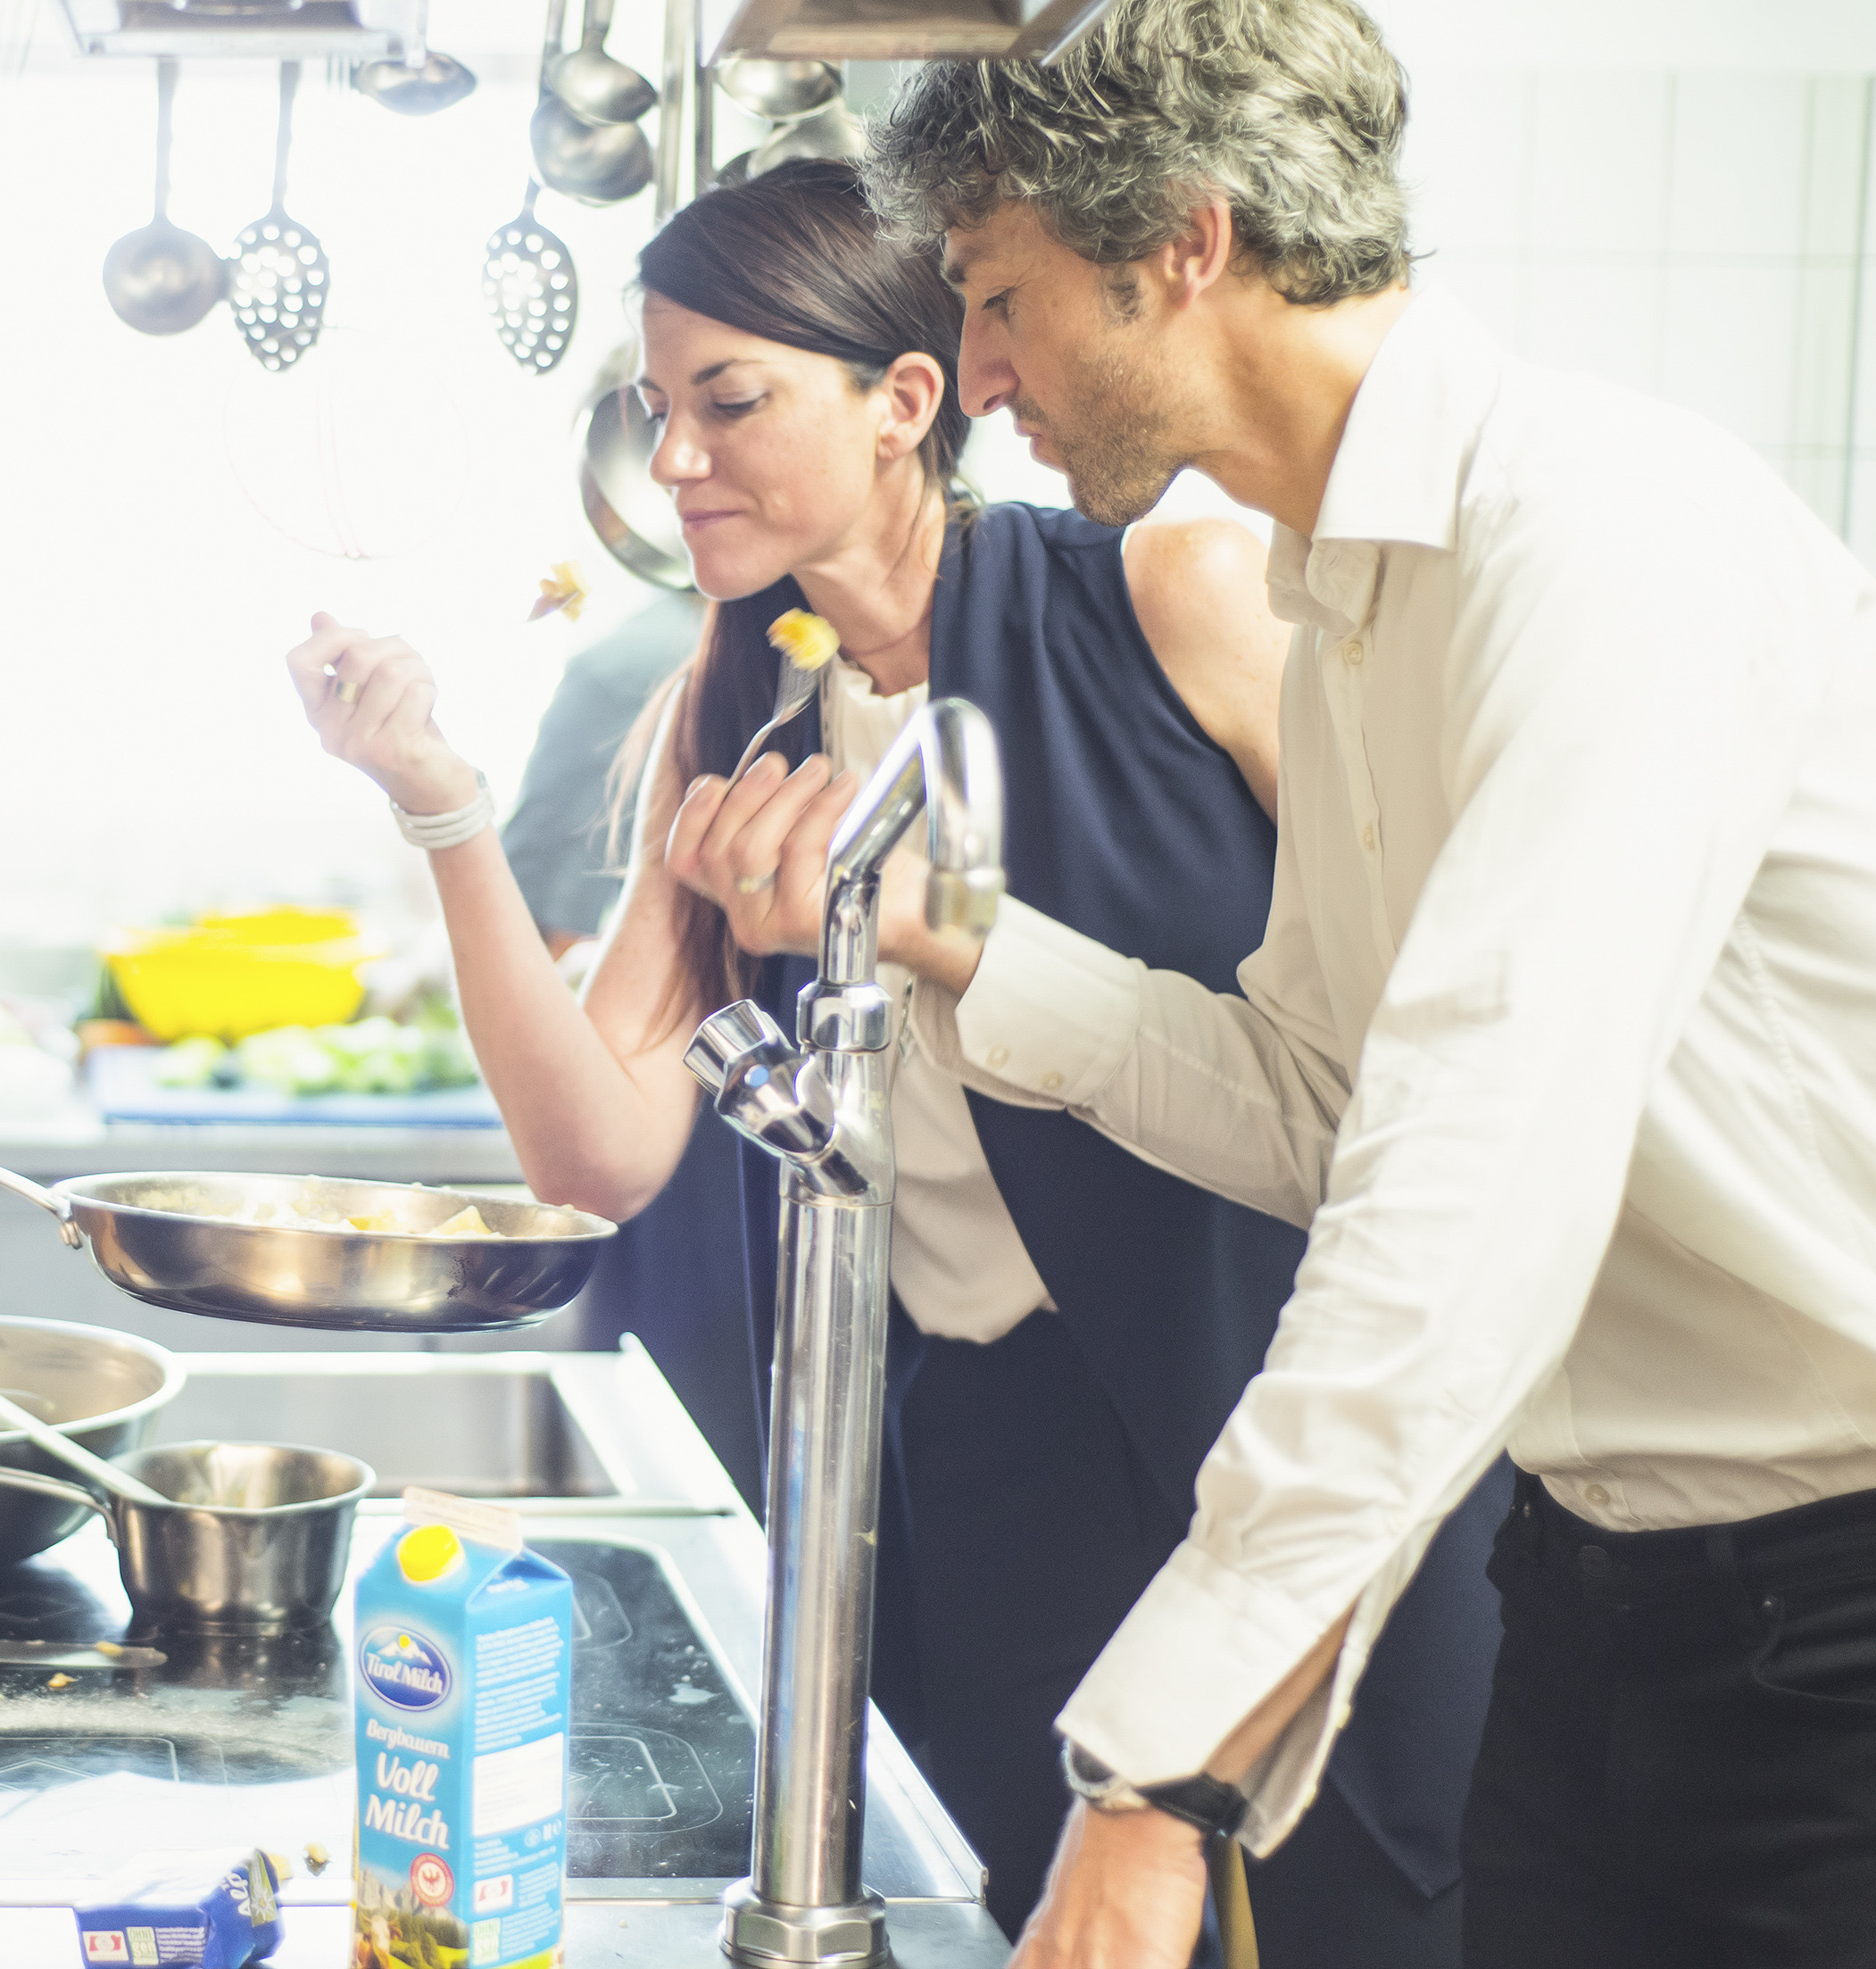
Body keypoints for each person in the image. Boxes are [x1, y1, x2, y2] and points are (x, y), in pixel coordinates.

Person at [286, 159, 1503, 1961]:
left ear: (907, 402)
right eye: (658, 408)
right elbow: (598, 1147)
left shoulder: (1171, 592)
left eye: (730, 401)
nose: (676, 457)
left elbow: (1440, 1026)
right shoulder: (740, 706)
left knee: (1381, 1920)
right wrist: (442, 804)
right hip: (996, 1449)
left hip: (1288, 1411)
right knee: (1022, 1918)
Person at [859, 0, 1876, 1969]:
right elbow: (1322, 1097)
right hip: (1596, 1596)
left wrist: (1155, 1773)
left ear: (1180, 236)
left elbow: (1458, 1194)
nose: (976, 379)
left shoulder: (1605, 545)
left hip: (1856, 1631)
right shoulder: (1347, 605)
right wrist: (968, 943)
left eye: (997, 298)